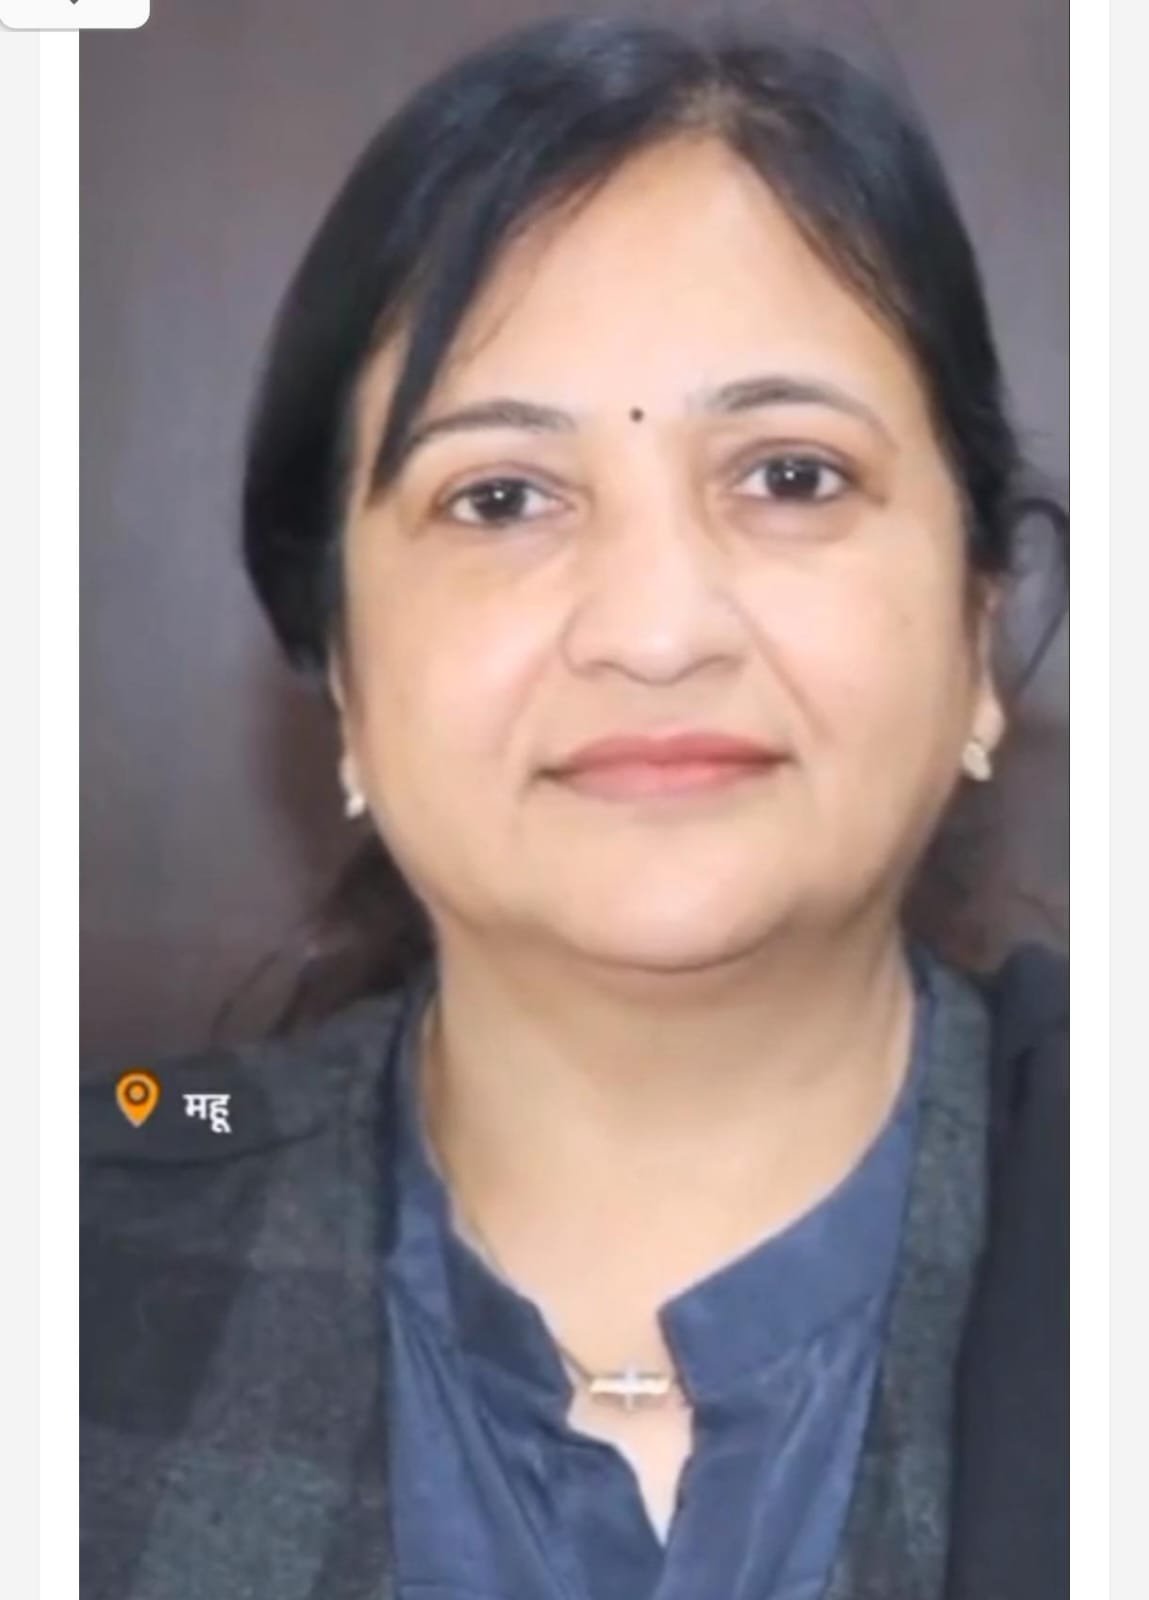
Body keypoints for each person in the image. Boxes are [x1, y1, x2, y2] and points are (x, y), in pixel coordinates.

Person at [80, 14, 1067, 1600]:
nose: (655, 630)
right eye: (501, 498)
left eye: (790, 475)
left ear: (976, 630)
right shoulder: (95, 1205)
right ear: (344, 680)